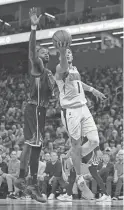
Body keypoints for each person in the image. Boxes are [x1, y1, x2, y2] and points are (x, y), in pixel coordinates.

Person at [54, 40, 106, 193]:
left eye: (70, 53)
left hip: (84, 108)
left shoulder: (74, 68)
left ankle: (70, 159)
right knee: (76, 145)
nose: (68, 55)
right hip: (71, 112)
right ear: (61, 57)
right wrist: (63, 51)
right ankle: (78, 176)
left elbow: (79, 83)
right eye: (65, 54)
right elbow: (63, 64)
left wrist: (92, 90)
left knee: (95, 141)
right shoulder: (60, 69)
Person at [15, 7, 55, 203]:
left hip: (39, 110)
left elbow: (53, 95)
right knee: (36, 146)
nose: (45, 53)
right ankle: (32, 185)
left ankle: (21, 180)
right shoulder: (37, 66)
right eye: (42, 51)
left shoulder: (48, 73)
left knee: (30, 145)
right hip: (35, 109)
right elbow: (31, 52)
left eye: (47, 51)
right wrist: (33, 27)